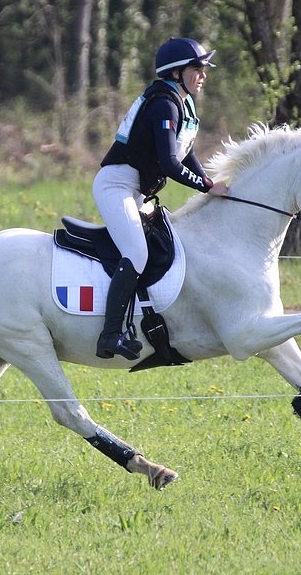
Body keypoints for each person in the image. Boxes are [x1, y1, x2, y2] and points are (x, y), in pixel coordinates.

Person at [93, 37, 229, 360]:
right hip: (117, 185)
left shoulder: (184, 104)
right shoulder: (163, 104)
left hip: (137, 189)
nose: (203, 74)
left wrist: (210, 181)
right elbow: (170, 163)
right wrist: (207, 188)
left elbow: (188, 153)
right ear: (176, 72)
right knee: (137, 253)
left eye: (203, 68)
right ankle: (109, 336)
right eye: (197, 68)